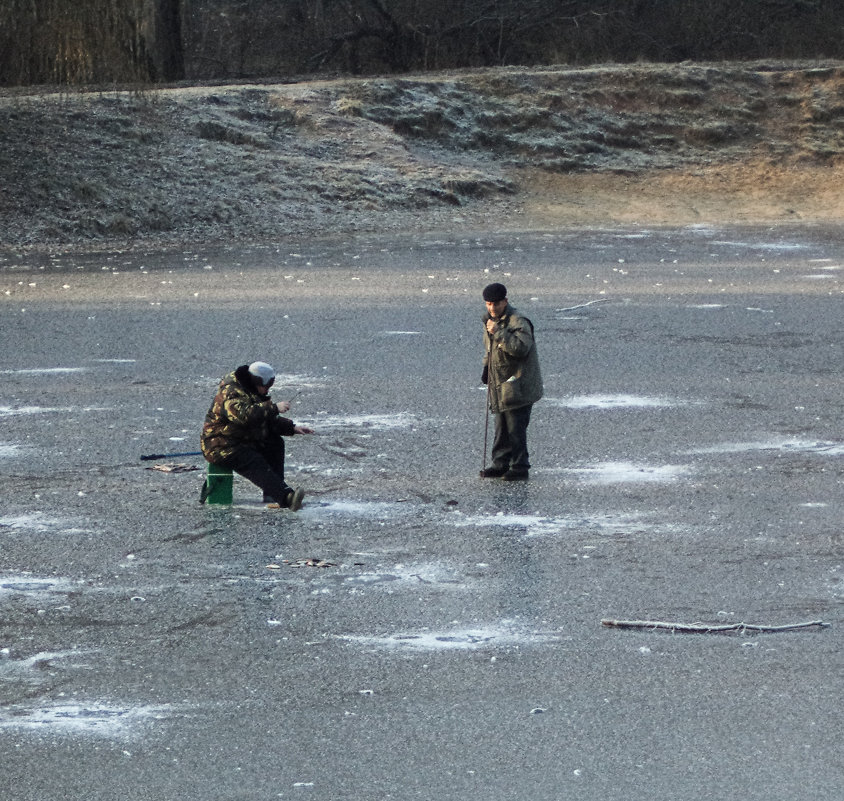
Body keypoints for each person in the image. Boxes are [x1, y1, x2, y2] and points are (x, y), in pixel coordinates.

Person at [200, 361, 314, 509]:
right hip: (220, 444)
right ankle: (286, 497)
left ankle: (272, 493)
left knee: (274, 443)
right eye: (266, 386)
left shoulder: (250, 390)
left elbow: (263, 420)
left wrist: (291, 428)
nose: (267, 390)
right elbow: (244, 415)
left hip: (240, 438)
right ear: (257, 382)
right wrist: (274, 408)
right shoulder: (232, 392)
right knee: (253, 461)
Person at [480, 283, 543, 481]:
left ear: (505, 302)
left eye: (496, 304)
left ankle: (519, 466)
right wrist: (485, 367)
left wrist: (498, 331)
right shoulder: (490, 321)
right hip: (501, 383)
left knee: (515, 427)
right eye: (489, 304)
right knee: (501, 427)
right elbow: (490, 349)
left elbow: (520, 348)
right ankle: (500, 464)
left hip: (518, 382)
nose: (492, 308)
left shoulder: (518, 322)